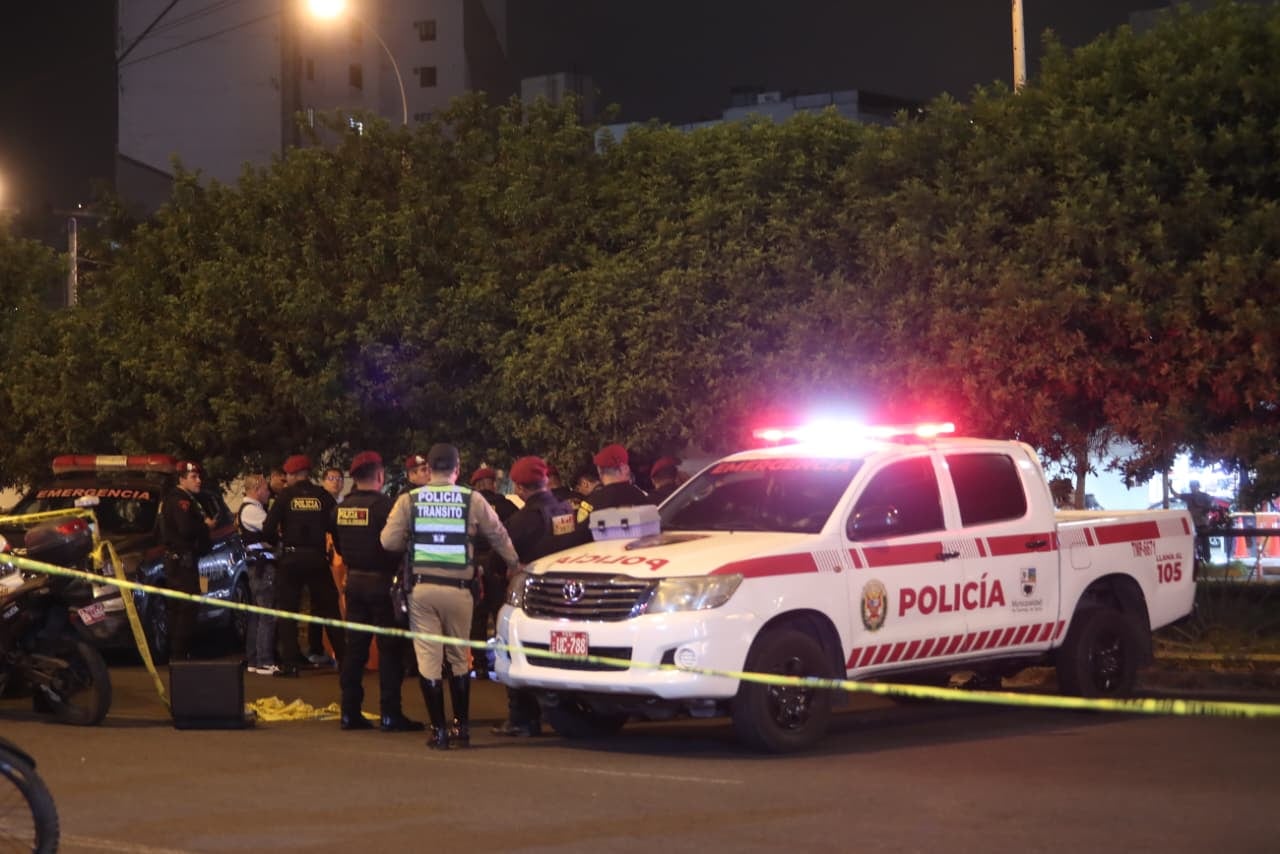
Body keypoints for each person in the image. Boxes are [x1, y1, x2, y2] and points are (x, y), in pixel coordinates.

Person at [380, 443, 520, 750]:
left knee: (429, 659)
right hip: (460, 591)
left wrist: (412, 535)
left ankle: (438, 731)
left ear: (429, 469)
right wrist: (514, 565)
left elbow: (388, 541)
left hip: (423, 591)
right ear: (457, 469)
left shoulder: (410, 500)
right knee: (459, 658)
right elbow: (498, 534)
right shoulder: (472, 499)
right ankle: (462, 728)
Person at [331, 451, 423, 732]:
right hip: (383, 584)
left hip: (354, 583)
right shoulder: (387, 507)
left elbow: (336, 543)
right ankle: (390, 713)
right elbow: (399, 544)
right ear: (380, 476)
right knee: (390, 650)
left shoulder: (340, 509)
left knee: (355, 650)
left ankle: (349, 711)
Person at [491, 456, 581, 737]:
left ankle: (522, 717)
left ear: (519, 488)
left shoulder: (523, 520)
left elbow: (498, 560)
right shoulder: (565, 510)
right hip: (564, 596)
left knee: (516, 651)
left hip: (528, 598)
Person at [261, 454, 344, 675]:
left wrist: (278, 542)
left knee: (288, 611)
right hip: (317, 559)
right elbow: (337, 528)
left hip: (291, 559)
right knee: (330, 610)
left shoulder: (285, 496)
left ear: (297, 474)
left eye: (288, 474)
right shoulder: (323, 496)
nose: (285, 478)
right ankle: (345, 661)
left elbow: (267, 529)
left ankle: (290, 664)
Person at [160, 460, 215, 660]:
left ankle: (179, 654)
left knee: (182, 609)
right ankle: (179, 656)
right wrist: (205, 526)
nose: (198, 481)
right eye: (193, 477)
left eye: (199, 476)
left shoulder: (186, 499)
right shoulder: (180, 500)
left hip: (182, 561)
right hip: (182, 564)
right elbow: (186, 529)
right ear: (181, 479)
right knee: (185, 610)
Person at [468, 465, 519, 676]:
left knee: (477, 617)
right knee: (500, 613)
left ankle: (479, 663)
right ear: (494, 484)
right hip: (497, 565)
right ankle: (503, 660)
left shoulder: (469, 506)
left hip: (473, 566)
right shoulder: (506, 506)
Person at [237, 473, 288, 677]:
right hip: (262, 567)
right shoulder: (251, 511)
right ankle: (264, 661)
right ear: (257, 489)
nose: (269, 493)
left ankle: (254, 658)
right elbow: (274, 530)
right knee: (266, 614)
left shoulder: (252, 509)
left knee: (258, 614)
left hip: (259, 566)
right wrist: (274, 540)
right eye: (266, 489)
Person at [575, 443, 654, 525]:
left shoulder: (591, 503)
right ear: (625, 468)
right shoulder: (639, 496)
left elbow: (577, 534)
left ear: (599, 472)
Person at [1179, 480, 1216, 564]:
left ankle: (1207, 559)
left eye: (1194, 486)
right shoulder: (1189, 496)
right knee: (1192, 543)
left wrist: (1207, 509)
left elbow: (1212, 505)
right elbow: (1177, 495)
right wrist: (1170, 487)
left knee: (1205, 542)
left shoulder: (1205, 496)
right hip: (1192, 524)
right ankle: (1193, 561)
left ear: (1198, 486)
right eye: (1191, 486)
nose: (1192, 488)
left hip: (1203, 523)